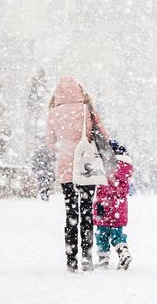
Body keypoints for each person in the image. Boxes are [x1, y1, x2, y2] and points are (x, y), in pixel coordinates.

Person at [46, 76, 110, 273]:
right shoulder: (87, 110)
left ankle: (71, 259)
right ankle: (87, 258)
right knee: (87, 213)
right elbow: (104, 137)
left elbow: (51, 144)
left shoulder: (53, 113)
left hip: (67, 169)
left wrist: (65, 150)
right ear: (80, 90)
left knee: (71, 214)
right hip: (86, 167)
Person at [93, 140, 133, 270]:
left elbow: (103, 188)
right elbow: (124, 190)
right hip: (120, 208)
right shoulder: (125, 169)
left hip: (104, 206)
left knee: (102, 233)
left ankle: (103, 258)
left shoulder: (107, 167)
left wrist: (100, 204)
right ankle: (123, 250)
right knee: (117, 233)